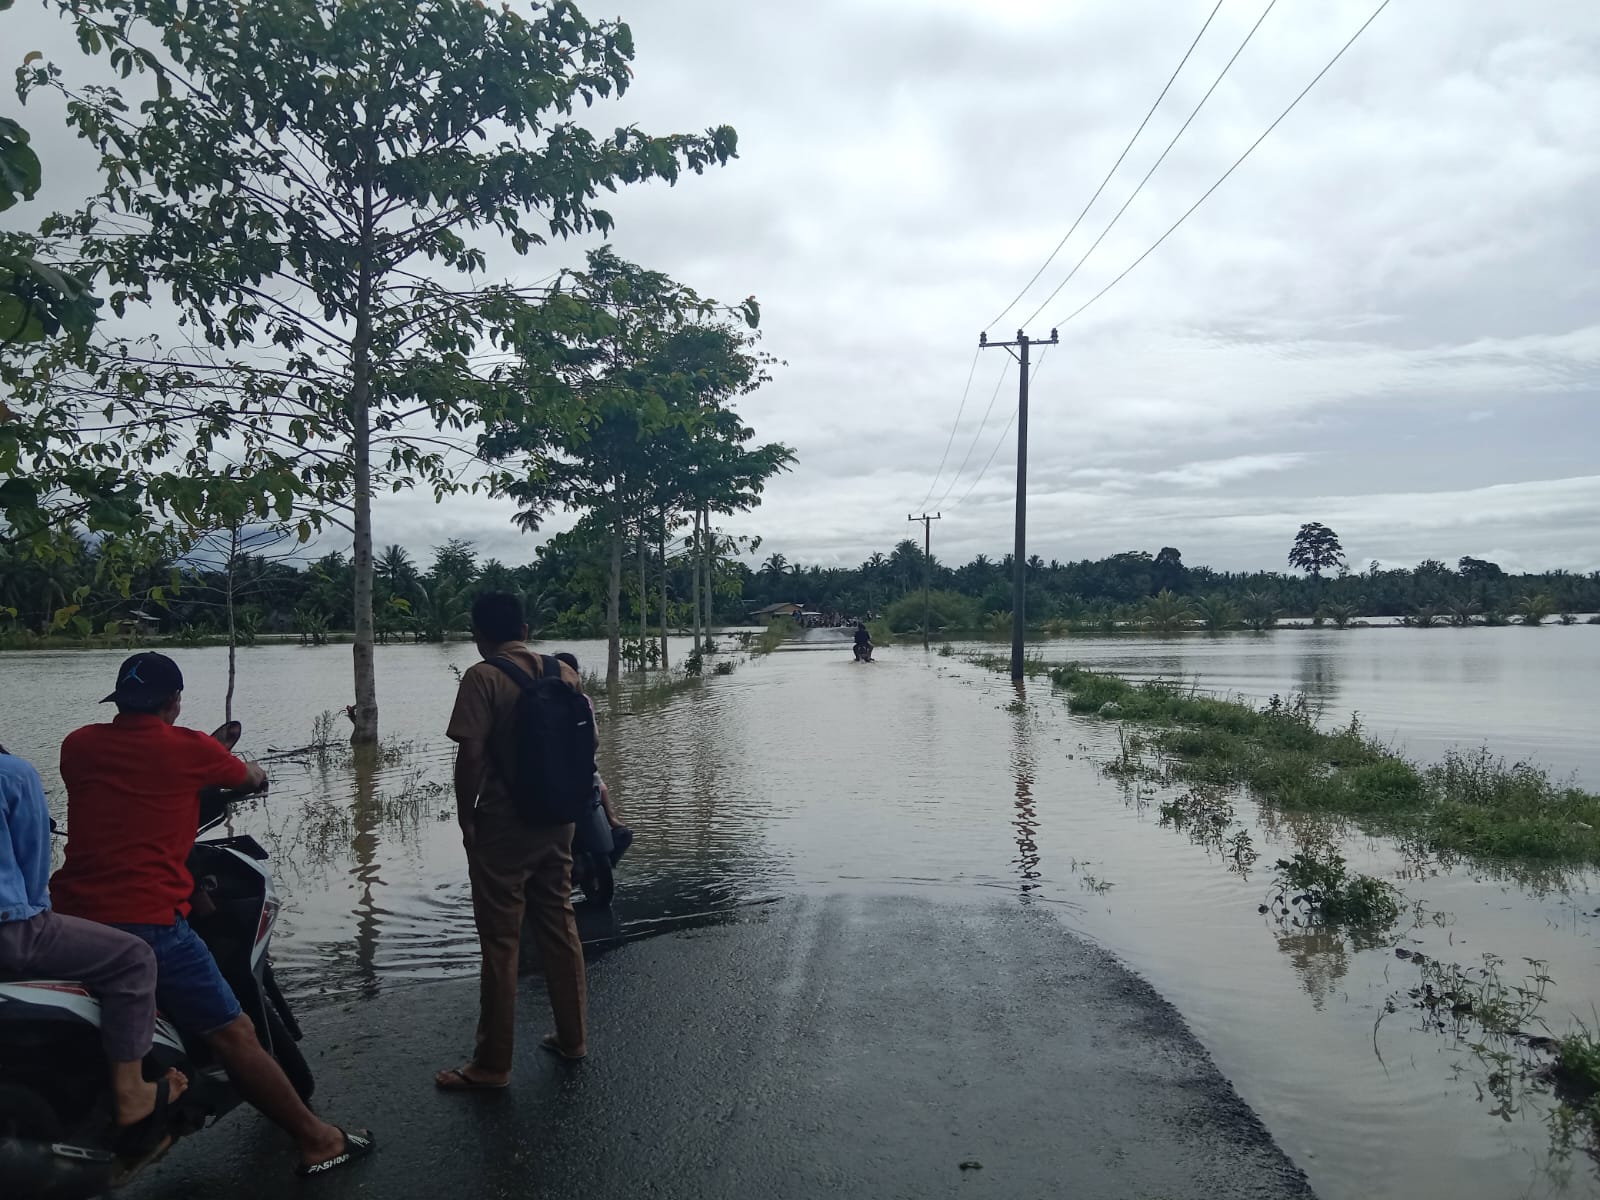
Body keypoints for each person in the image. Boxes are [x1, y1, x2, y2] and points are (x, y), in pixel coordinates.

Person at [49, 653, 373, 1177]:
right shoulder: (189, 748)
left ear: (119, 700)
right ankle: (317, 1140)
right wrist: (244, 771)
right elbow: (248, 778)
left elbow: (127, 790)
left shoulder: (78, 745)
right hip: (148, 922)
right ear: (173, 702)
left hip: (71, 917)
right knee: (235, 1033)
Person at [0, 740, 188, 1155]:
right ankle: (131, 1091)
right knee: (133, 958)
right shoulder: (13, 774)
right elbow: (33, 877)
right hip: (11, 932)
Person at [436, 593, 588, 1091]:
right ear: (524, 627)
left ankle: (492, 1064)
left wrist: (466, 819)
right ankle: (573, 1038)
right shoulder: (563, 673)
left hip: (505, 824)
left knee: (501, 942)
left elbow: (471, 757)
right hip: (560, 819)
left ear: (477, 632)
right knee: (560, 923)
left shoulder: (483, 677)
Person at [552, 651, 634, 880]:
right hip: (585, 769)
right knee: (598, 785)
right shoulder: (583, 699)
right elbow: (595, 739)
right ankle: (611, 818)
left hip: (559, 774)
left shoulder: (544, 699)